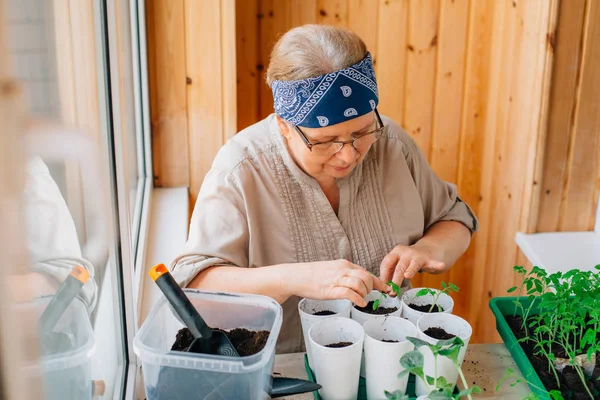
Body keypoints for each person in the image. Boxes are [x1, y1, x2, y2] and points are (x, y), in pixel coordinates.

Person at [171, 25, 478, 353]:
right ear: (284, 127)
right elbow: (195, 289)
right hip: (279, 369)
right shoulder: (240, 169)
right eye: (324, 141)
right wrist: (292, 279)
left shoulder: (392, 144)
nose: (347, 155)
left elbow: (455, 217)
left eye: (361, 132)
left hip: (393, 359)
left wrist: (429, 248)